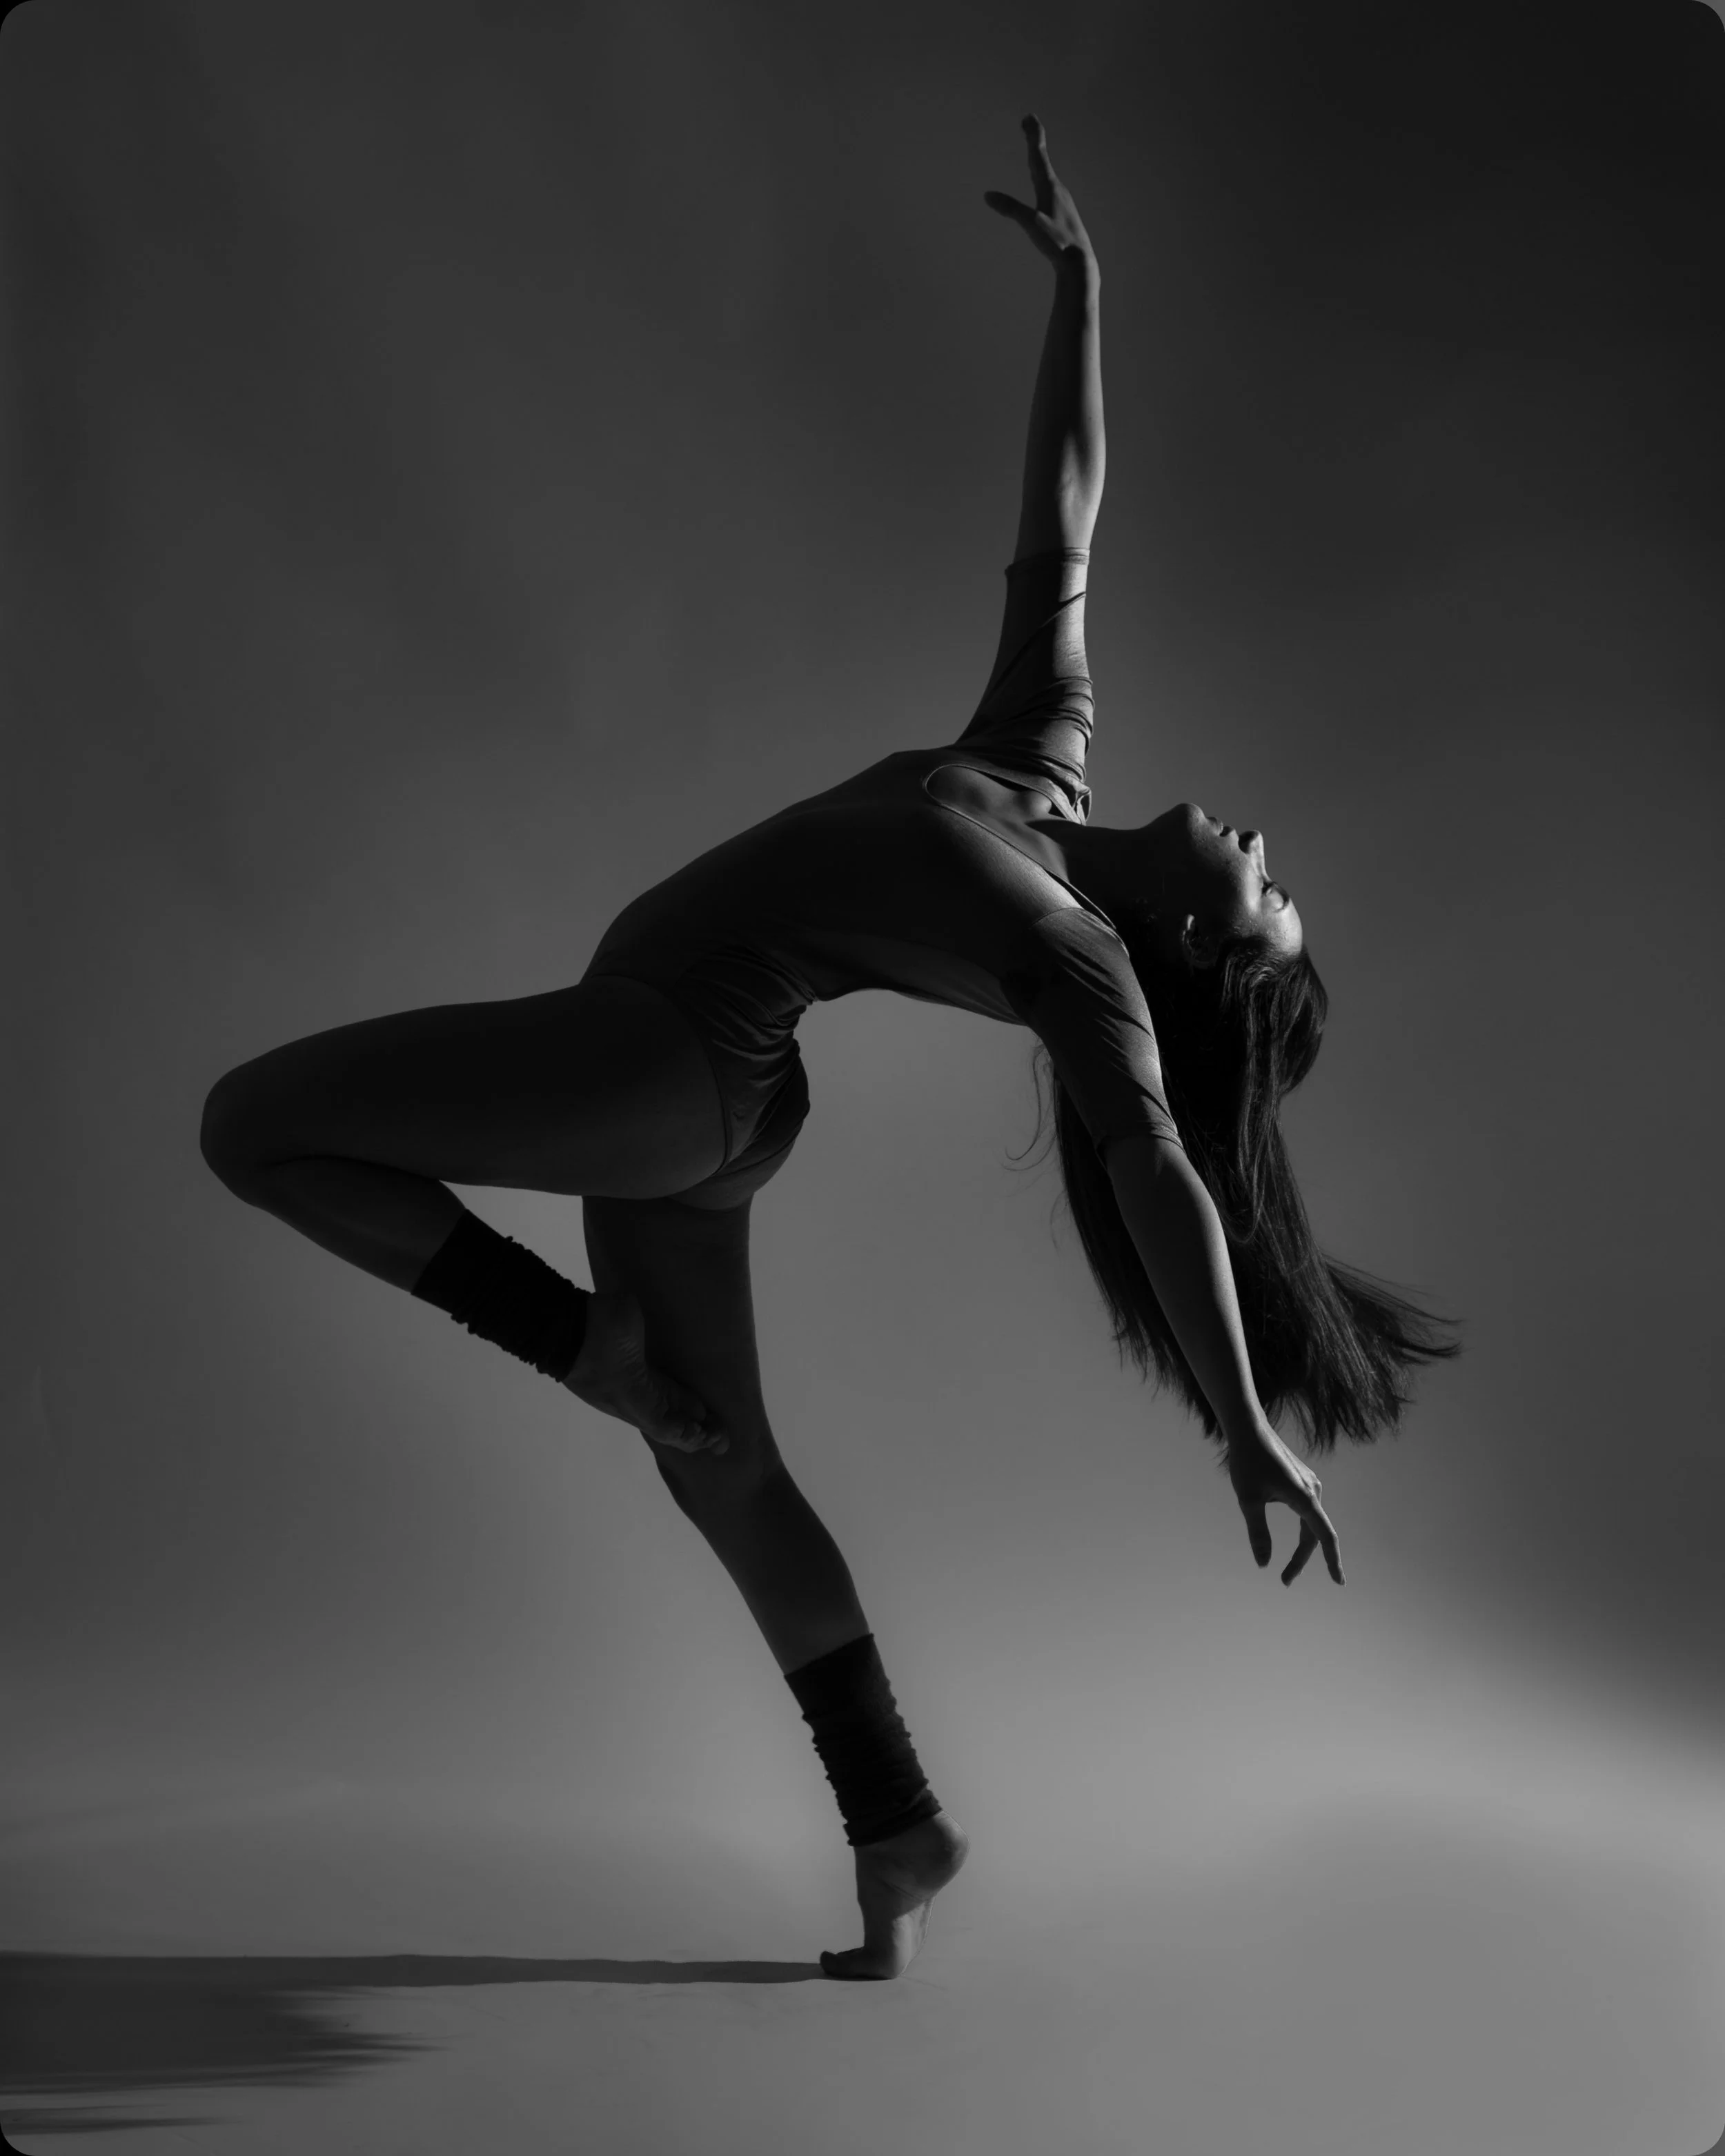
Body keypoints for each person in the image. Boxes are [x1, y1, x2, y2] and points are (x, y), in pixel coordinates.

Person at [201, 116, 1459, 1981]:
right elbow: (1069, 501)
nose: (1269, 855)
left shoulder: (1078, 960)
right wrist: (1085, 287)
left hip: (667, 1068)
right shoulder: (1037, 753)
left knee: (256, 1124)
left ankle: (573, 1342)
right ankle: (898, 1829)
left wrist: (1247, 1424)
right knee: (726, 1472)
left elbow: (1157, 1171)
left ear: (1205, 950)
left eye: (1269, 898)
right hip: (717, 1101)